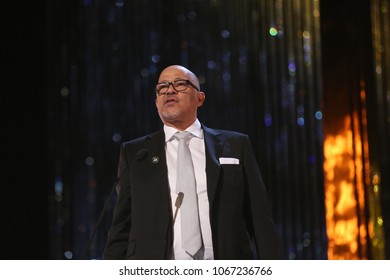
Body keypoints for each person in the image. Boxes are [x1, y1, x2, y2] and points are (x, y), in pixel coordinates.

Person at [103, 65, 284, 260]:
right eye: (162, 87)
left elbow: (260, 221)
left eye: (180, 84)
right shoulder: (136, 153)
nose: (170, 90)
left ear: (200, 98)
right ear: (156, 102)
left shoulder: (235, 145)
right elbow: (121, 228)